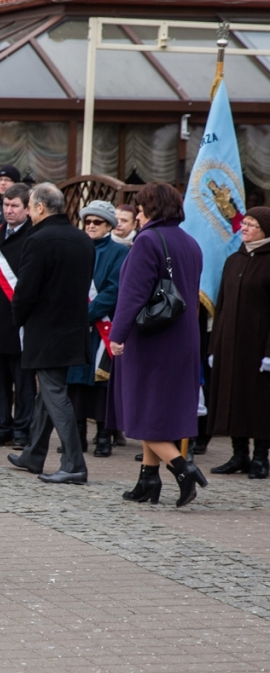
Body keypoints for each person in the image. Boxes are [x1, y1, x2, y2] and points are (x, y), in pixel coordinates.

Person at [108, 182, 206, 507]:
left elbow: (133, 294)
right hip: (184, 337)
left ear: (150, 209)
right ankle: (148, 479)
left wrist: (117, 335)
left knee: (141, 409)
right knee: (158, 409)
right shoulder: (190, 242)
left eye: (139, 207)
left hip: (151, 338)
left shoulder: (147, 241)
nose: (135, 213)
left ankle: (182, 468)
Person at [6, 183, 94, 485]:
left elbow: (26, 290)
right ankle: (34, 453)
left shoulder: (39, 240)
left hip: (46, 330)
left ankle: (74, 464)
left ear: (41, 208)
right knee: (49, 391)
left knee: (55, 394)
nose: (27, 212)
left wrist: (16, 320)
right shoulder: (83, 239)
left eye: (29, 206)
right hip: (74, 328)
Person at [207, 206, 270, 478]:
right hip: (230, 343)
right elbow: (221, 304)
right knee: (233, 397)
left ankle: (260, 457)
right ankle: (239, 454)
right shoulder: (234, 259)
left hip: (258, 345)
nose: (244, 228)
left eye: (251, 224)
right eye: (243, 223)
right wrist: (214, 345)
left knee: (258, 401)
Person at [65, 200, 129, 458]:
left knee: (101, 381)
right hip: (77, 326)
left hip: (103, 325)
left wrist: (87, 314)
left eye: (97, 222)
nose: (91, 225)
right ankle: (77, 433)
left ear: (109, 225)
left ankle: (104, 435)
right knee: (76, 381)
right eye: (88, 221)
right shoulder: (75, 249)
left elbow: (114, 289)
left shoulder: (119, 252)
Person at [0, 182, 35, 450]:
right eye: (6, 205)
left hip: (20, 322)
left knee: (23, 384)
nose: (9, 210)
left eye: (15, 206)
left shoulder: (33, 237)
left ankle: (22, 431)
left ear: (27, 208)